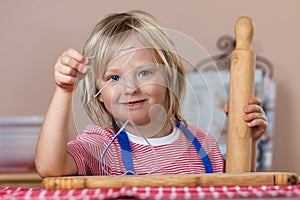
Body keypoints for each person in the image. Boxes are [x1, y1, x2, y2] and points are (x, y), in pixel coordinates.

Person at [35, 10, 268, 177]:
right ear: (99, 94)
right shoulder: (101, 146)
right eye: (114, 78)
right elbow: (49, 167)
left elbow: (240, 187)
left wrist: (249, 141)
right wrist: (64, 90)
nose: (131, 88)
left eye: (144, 73)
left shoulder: (202, 143)